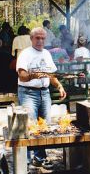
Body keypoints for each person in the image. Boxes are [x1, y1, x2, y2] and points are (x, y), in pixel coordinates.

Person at [16, 27, 66, 168]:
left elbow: (51, 75)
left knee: (44, 126)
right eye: (37, 38)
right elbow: (21, 76)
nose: (40, 41)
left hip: (44, 93)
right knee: (29, 126)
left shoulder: (47, 54)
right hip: (28, 93)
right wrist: (33, 75)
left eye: (43, 38)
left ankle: (39, 158)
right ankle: (25, 161)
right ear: (31, 39)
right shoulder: (25, 54)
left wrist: (59, 86)